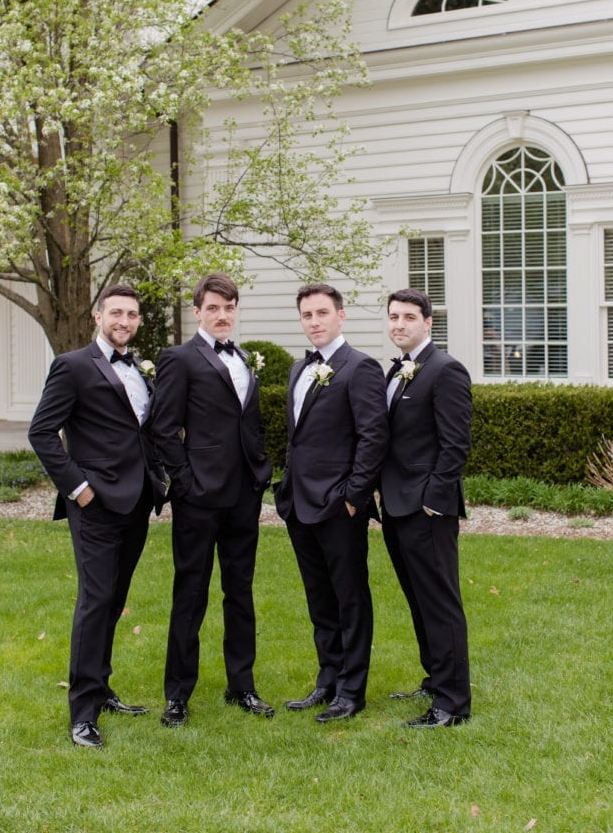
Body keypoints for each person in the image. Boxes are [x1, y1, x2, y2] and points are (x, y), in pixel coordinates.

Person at [28, 284, 167, 749]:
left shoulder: (140, 370)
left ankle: (102, 688)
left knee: (113, 599)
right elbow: (42, 431)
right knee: (94, 601)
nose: (123, 321)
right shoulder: (72, 367)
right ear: (97, 316)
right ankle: (82, 714)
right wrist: (78, 487)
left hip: (136, 503)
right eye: (116, 313)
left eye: (131, 315)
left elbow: (140, 432)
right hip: (95, 505)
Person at [152, 273, 273, 727]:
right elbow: (163, 428)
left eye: (229, 308)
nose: (223, 315)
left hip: (244, 495)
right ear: (198, 311)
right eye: (214, 308)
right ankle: (178, 695)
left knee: (239, 592)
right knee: (191, 593)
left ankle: (241, 685)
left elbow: (247, 422)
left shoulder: (243, 357)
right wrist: (184, 482)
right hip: (199, 498)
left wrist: (260, 471)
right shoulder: (179, 358)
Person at [275, 283, 388, 722]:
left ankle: (352, 690)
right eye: (307, 314)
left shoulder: (360, 368)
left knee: (349, 597)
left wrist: (354, 497)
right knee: (319, 598)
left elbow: (373, 437)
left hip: (340, 506)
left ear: (341, 316)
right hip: (299, 505)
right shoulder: (297, 369)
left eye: (322, 312)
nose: (314, 321)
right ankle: (327, 678)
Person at [380, 289, 472, 727]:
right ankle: (436, 679)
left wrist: (434, 504)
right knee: (418, 600)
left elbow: (455, 445)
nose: (399, 324)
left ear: (428, 322)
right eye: (394, 316)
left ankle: (452, 703)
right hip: (397, 507)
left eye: (409, 317)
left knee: (440, 602)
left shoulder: (446, 370)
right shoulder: (395, 372)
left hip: (427, 510)